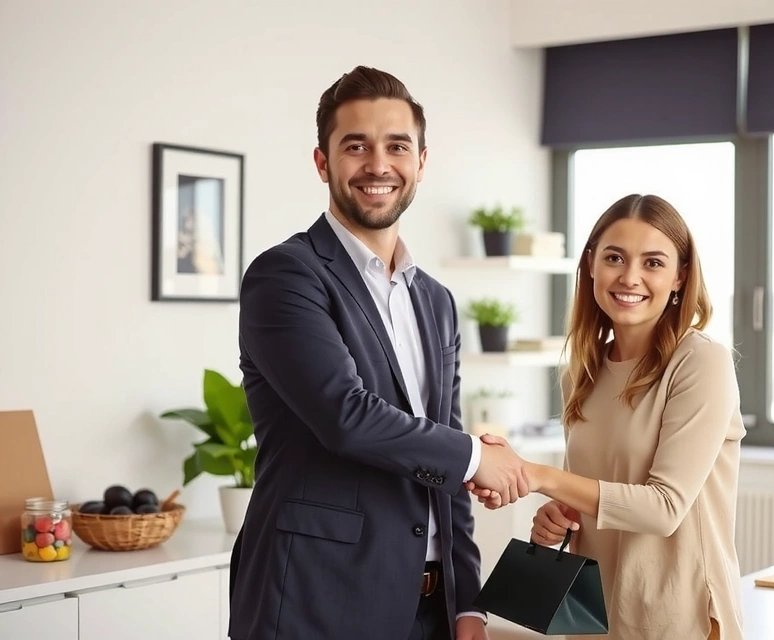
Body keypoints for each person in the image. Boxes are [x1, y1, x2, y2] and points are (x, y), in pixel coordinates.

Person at [228, 65, 529, 640]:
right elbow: (345, 416)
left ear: (420, 161)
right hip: (317, 601)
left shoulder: (435, 301)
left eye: (396, 146)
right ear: (323, 162)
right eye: (355, 146)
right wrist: (473, 457)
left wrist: (468, 601)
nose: (378, 165)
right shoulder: (286, 276)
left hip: (431, 611)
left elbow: (445, 453)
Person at [470, 194, 747, 639]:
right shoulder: (581, 371)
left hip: (675, 618)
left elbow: (664, 508)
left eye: (653, 262)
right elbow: (588, 493)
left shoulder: (700, 362)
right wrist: (554, 517)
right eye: (614, 257)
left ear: (680, 277)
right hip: (590, 616)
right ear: (591, 266)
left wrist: (536, 475)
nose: (630, 277)